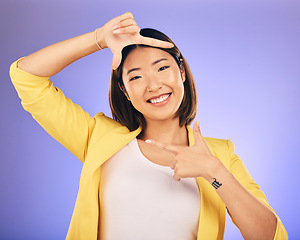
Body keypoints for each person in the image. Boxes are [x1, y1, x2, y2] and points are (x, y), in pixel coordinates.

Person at [10, 12, 287, 240]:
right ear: (125, 90)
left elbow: (270, 235)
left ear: (181, 70)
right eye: (136, 76)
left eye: (162, 68)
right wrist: (100, 38)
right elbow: (26, 77)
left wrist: (212, 170)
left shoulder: (220, 155)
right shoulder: (99, 138)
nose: (154, 85)